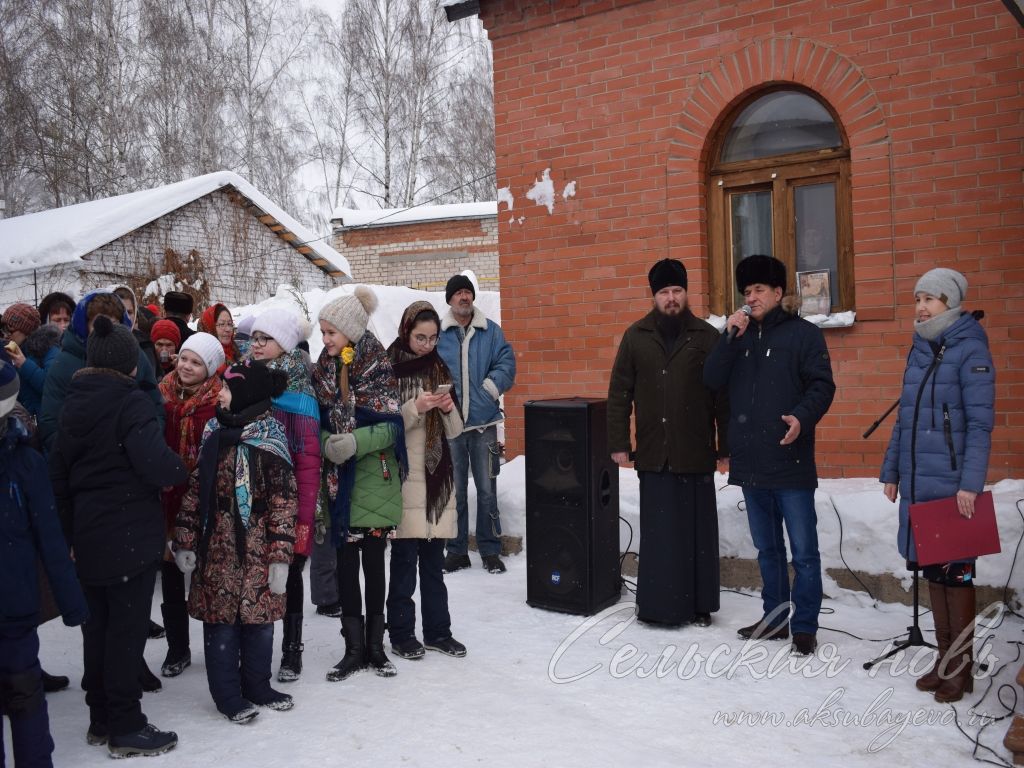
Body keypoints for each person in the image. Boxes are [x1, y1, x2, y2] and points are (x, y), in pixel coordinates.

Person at [50, 315, 186, 758]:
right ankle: (126, 725)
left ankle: (100, 717)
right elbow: (156, 463)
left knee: (99, 631)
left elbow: (60, 476)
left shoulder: (75, 401)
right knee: (125, 635)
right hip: (128, 536)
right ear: (131, 366)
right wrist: (179, 468)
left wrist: (70, 533)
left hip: (89, 537)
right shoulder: (130, 404)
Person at [703, 254, 836, 656]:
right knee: (768, 550)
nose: (752, 297)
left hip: (790, 461)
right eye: (746, 291)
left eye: (759, 290)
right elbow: (710, 380)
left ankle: (805, 626)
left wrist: (801, 417)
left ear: (779, 293)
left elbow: (822, 386)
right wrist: (728, 336)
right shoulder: (737, 337)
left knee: (804, 552)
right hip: (752, 463)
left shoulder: (803, 335)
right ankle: (775, 619)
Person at [880, 268, 994, 703]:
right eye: (918, 299)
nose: (922, 307)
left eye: (931, 299)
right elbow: (904, 419)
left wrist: (971, 484)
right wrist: (892, 471)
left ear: (952, 303)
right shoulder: (922, 350)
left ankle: (961, 670)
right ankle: (945, 661)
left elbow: (981, 425)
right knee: (935, 575)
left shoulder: (969, 350)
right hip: (919, 483)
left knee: (958, 576)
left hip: (952, 488)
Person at [175, 360, 298, 723]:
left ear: (247, 394)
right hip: (217, 549)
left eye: (227, 389)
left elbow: (283, 502)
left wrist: (279, 556)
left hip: (260, 550)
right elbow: (195, 492)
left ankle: (257, 685)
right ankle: (227, 695)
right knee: (220, 625)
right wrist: (184, 540)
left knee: (260, 622)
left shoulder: (271, 438)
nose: (220, 394)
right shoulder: (214, 431)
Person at [608, 259, 729, 626]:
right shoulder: (636, 336)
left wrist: (725, 448)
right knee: (660, 537)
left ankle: (699, 605)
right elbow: (619, 393)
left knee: (698, 535)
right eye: (664, 292)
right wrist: (618, 441)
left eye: (677, 291)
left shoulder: (707, 337)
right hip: (654, 452)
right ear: (654, 296)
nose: (671, 298)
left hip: (695, 451)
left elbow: (723, 397)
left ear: (686, 293)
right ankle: (659, 607)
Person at [313, 287, 406, 681]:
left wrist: (355, 442)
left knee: (373, 564)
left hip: (374, 480)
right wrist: (327, 445)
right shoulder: (323, 369)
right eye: (322, 332)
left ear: (350, 330)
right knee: (346, 568)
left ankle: (375, 647)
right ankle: (352, 649)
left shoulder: (377, 365)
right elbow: (315, 420)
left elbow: (391, 427)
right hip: (340, 483)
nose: (325, 339)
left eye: (331, 332)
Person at [0, 359, 89, 768]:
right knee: (25, 695)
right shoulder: (26, 461)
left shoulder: (26, 464)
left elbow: (50, 538)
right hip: (16, 599)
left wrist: (72, 602)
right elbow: (51, 539)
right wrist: (73, 604)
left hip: (15, 606)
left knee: (25, 693)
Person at [385, 301, 467, 660]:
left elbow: (457, 430)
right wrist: (415, 409)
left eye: (433, 338)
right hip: (404, 481)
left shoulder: (438, 367)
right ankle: (401, 634)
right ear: (406, 331)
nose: (427, 345)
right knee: (403, 566)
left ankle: (438, 632)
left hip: (436, 483)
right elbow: (384, 427)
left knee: (434, 568)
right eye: (421, 337)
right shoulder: (391, 367)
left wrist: (448, 409)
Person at [247, 308, 320, 683]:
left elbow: (308, 465)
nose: (256, 345)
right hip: (248, 500)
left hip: (286, 503)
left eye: (265, 339)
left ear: (285, 345)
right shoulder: (243, 380)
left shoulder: (300, 394)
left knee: (289, 575)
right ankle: (253, 652)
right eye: (254, 338)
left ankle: (292, 650)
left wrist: (304, 520)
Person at [157, 332, 226, 678]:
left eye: (196, 362)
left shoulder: (218, 403)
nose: (186, 365)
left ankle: (218, 647)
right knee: (170, 575)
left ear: (210, 368)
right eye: (184, 357)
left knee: (208, 574)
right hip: (168, 497)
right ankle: (177, 648)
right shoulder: (161, 395)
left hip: (204, 498)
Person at [437, 274, 516, 574]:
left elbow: (507, 363)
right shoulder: (440, 335)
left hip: (484, 425)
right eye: (458, 293)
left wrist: (489, 390)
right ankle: (456, 551)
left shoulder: (490, 332)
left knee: (487, 490)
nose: (464, 297)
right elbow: (429, 371)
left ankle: (490, 550)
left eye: (467, 292)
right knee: (454, 492)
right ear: (450, 300)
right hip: (451, 427)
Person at [39, 291, 164, 453]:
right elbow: (51, 424)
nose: (107, 331)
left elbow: (155, 405)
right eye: (98, 324)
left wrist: (147, 441)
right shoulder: (64, 364)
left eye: (114, 323)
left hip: (136, 460)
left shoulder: (136, 356)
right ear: (85, 325)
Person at [199, 303, 241, 368]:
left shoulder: (236, 351)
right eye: (222, 324)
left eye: (230, 324)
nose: (228, 329)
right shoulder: (203, 363)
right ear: (209, 328)